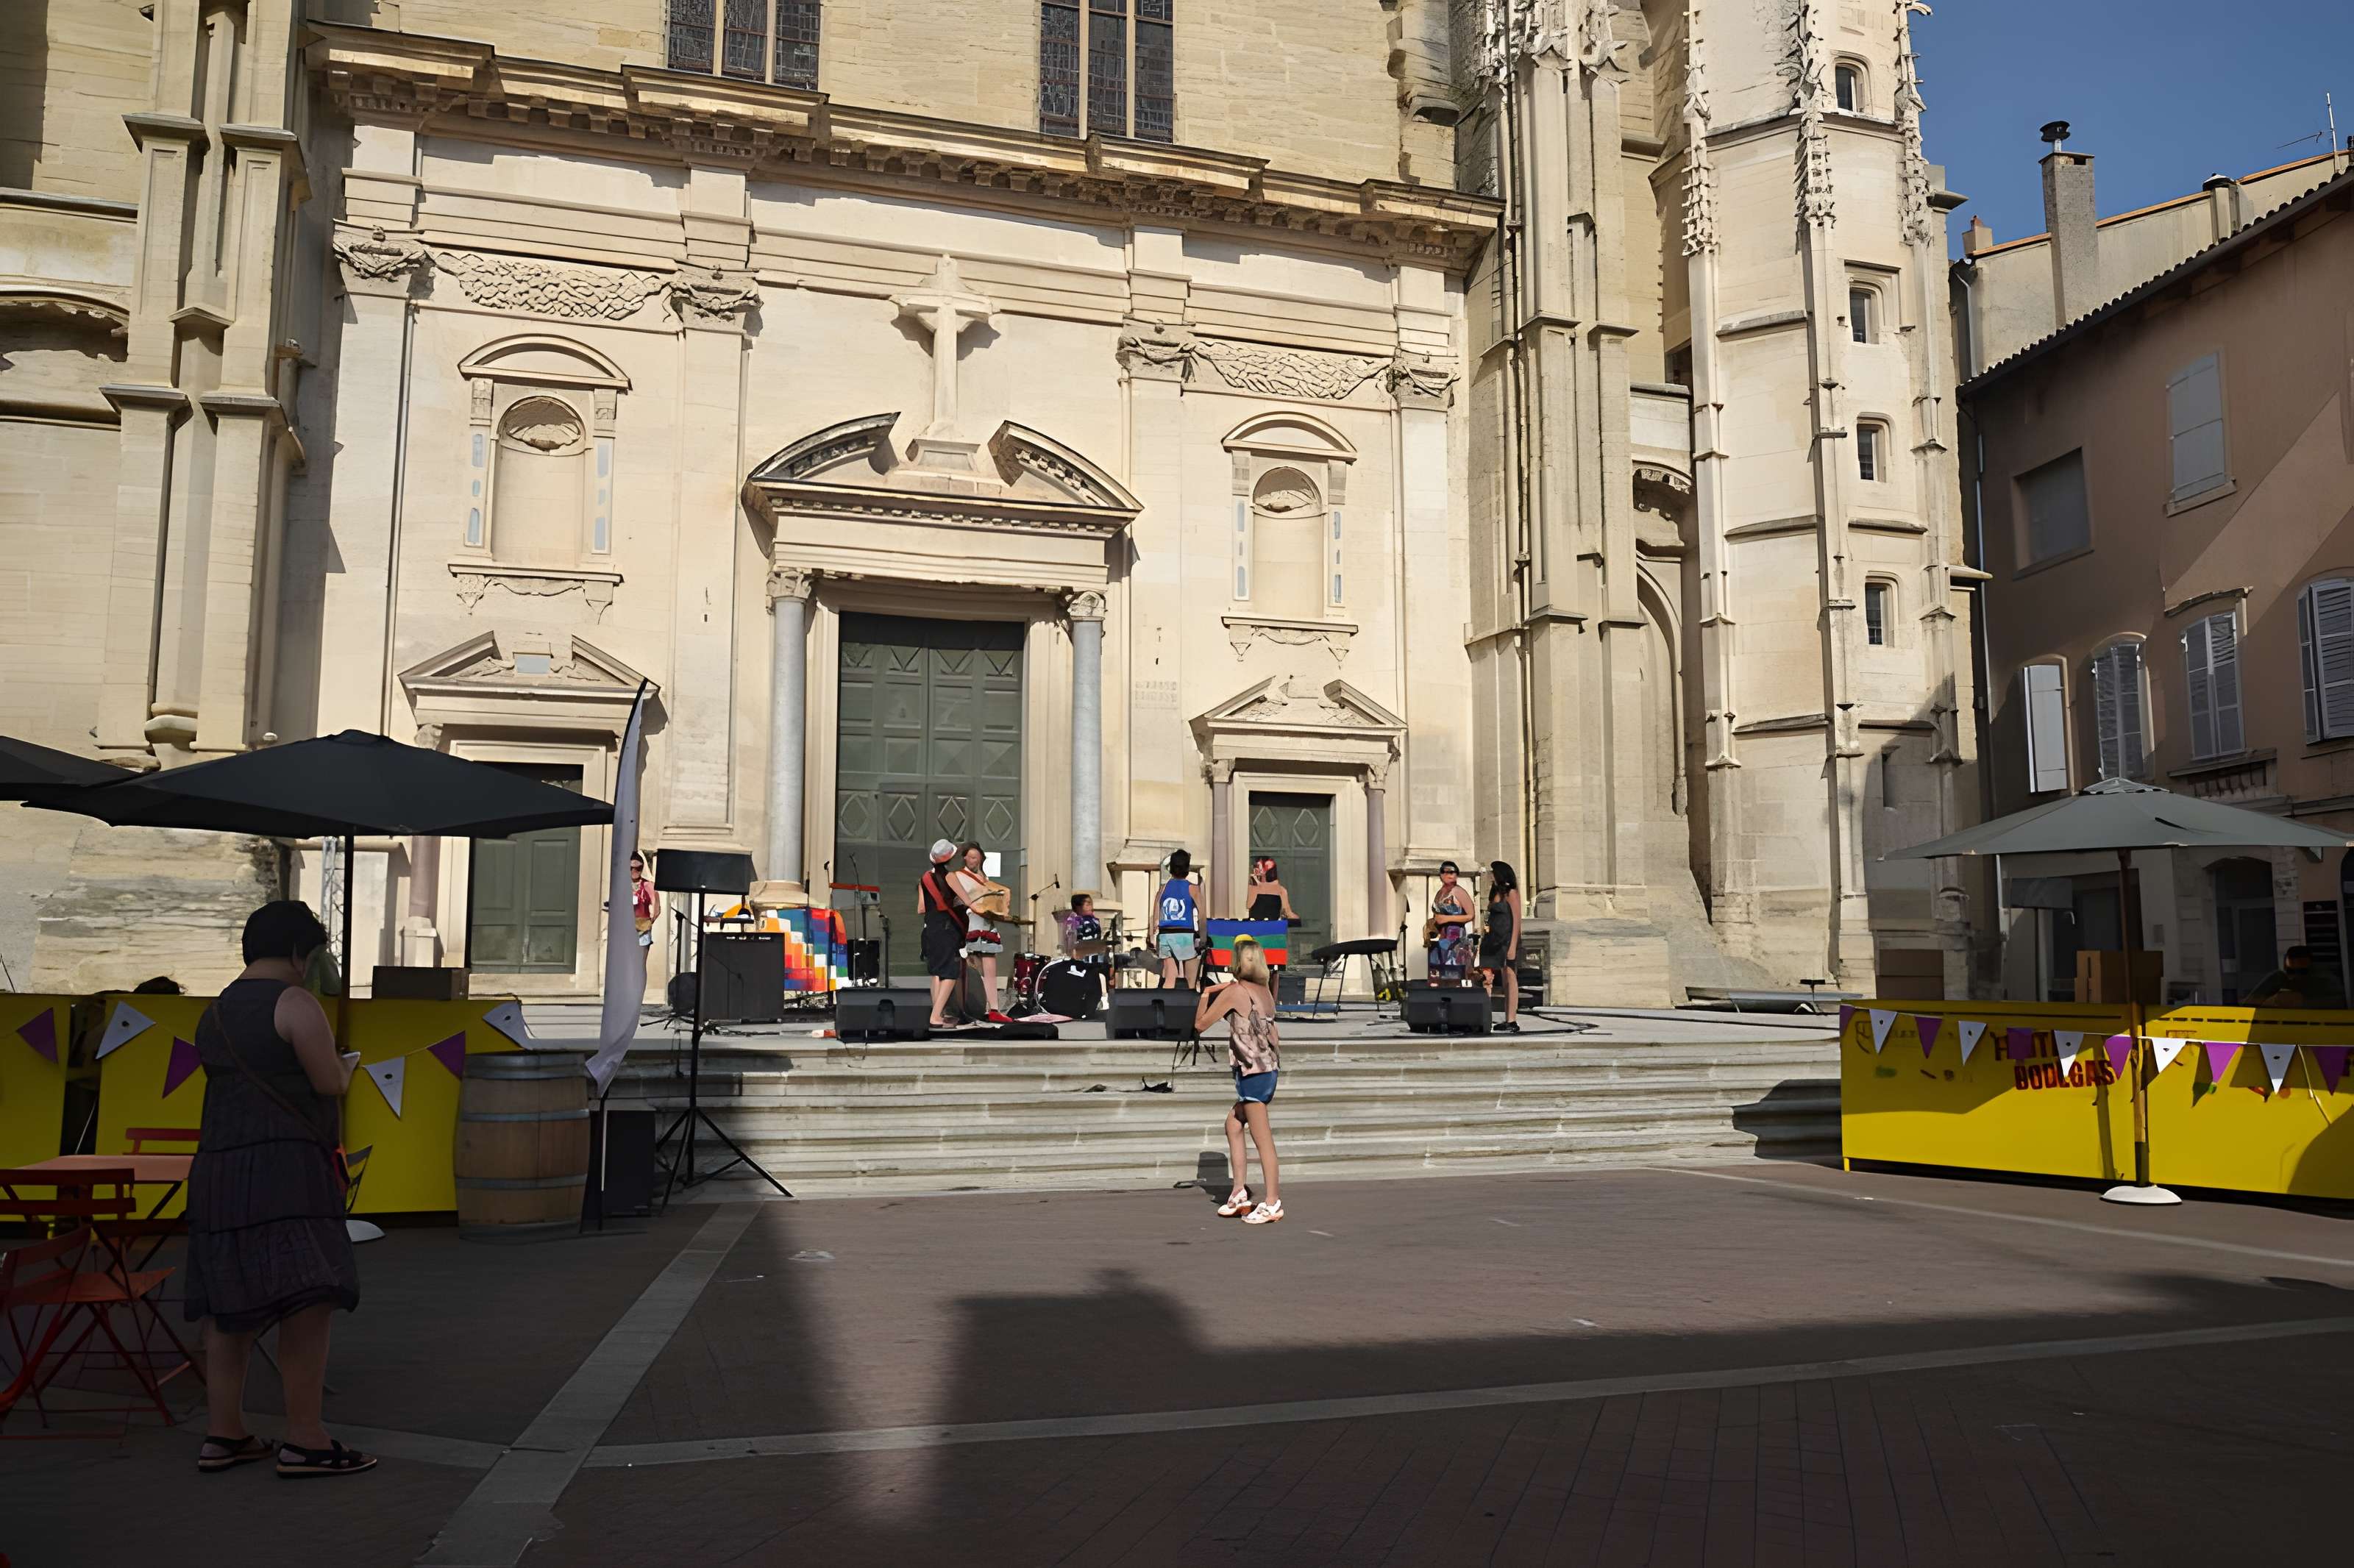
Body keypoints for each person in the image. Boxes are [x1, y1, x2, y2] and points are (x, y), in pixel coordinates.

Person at [184, 900, 374, 1478]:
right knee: (307, 1299)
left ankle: (225, 1433)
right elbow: (327, 1081)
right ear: (299, 952)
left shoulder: (213, 1012)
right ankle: (306, 1438)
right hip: (286, 1169)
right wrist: (347, 1066)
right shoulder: (295, 1002)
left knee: (228, 1305)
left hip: (218, 1167)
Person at [1195, 936, 1284, 1225]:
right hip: (1266, 1068)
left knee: (1263, 1140)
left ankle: (1272, 1202)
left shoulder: (1234, 992)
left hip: (1253, 1073)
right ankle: (1239, 1191)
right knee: (1233, 1124)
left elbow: (1200, 1025)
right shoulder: (1265, 991)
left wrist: (1207, 993)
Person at [950, 842, 1013, 1023]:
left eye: (976, 858)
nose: (973, 860)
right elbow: (958, 901)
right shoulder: (959, 877)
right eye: (970, 857)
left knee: (990, 967)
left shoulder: (983, 877)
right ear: (964, 858)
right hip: (970, 923)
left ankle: (993, 1008)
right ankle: (967, 1007)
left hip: (986, 923)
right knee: (970, 968)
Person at [919, 839, 966, 1028]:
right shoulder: (951, 877)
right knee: (950, 973)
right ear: (951, 858)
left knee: (936, 973)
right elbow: (968, 901)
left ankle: (936, 1013)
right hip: (947, 929)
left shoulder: (924, 878)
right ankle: (936, 1016)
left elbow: (921, 908)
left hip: (930, 928)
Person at [1480, 860, 1525, 1032]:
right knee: (1491, 978)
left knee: (1509, 978)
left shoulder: (1511, 893)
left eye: (1493, 872)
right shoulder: (1495, 892)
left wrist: (1513, 945)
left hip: (1507, 939)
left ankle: (1511, 1020)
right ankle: (1488, 1016)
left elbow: (1517, 919)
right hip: (1494, 940)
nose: (1490, 875)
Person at [2244, 944, 2347, 1008]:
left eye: (2302, 971)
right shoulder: (2279, 978)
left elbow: (2339, 1003)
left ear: (2312, 969)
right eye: (2291, 971)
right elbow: (2248, 1005)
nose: (2295, 977)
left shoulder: (2326, 981)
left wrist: (2304, 1002)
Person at [1156, 849, 1202, 988]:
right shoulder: (1193, 889)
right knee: (1191, 980)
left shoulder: (1163, 888)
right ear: (1187, 868)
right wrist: (1203, 936)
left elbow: (1156, 910)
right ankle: (1190, 1006)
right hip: (1185, 934)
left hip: (1165, 934)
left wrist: (1152, 935)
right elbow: (1202, 914)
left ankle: (1166, 1006)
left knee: (1170, 977)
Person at [1426, 860, 1474, 983]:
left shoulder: (1459, 892)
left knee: (1455, 973)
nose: (1449, 874)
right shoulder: (1440, 893)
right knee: (1438, 973)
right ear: (1441, 875)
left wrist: (1447, 919)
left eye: (1452, 872)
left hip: (1456, 938)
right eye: (1445, 872)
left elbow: (1471, 915)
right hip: (1441, 937)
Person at [629, 849, 660, 949]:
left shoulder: (648, 885)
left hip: (643, 928)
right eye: (631, 868)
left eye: (638, 868)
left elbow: (657, 908)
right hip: (626, 928)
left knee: (641, 962)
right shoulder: (623, 886)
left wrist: (649, 923)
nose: (634, 871)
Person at [1061, 892, 1103, 957]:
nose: (1091, 907)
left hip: (1096, 956)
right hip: (1082, 958)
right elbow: (1075, 944)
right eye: (1088, 904)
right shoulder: (1075, 922)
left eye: (1091, 904)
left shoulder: (1095, 921)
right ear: (1078, 907)